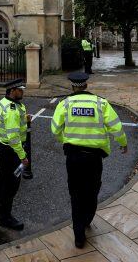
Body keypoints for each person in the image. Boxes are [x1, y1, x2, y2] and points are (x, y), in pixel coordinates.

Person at [51, 72, 128, 248]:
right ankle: (87, 220)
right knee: (92, 190)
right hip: (94, 158)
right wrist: (123, 143)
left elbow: (55, 129)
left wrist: (66, 141)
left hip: (73, 157)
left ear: (72, 86)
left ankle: (79, 236)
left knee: (76, 194)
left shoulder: (65, 104)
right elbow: (116, 126)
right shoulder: (101, 103)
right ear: (86, 86)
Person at [0, 78, 30, 230]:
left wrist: (24, 120)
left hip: (3, 147)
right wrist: (23, 156)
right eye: (20, 90)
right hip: (12, 152)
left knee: (2, 179)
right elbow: (13, 138)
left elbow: (9, 123)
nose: (22, 92)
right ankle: (5, 217)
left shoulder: (2, 103)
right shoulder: (12, 110)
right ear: (12, 91)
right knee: (11, 185)